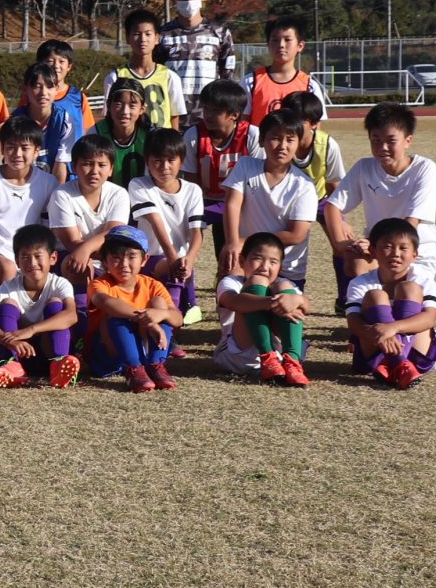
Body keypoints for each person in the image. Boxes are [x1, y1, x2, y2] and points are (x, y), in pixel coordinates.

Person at [321, 102, 436, 283]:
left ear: (408, 140)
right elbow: (332, 206)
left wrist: (375, 243)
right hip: (379, 250)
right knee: (355, 263)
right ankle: (363, 298)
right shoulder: (364, 167)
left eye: (391, 141)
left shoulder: (424, 168)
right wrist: (341, 244)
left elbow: (411, 224)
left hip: (414, 252)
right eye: (376, 140)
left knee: (407, 293)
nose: (383, 147)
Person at [0, 115, 60, 307]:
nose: (17, 153)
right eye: (11, 147)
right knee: (6, 268)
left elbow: (49, 227)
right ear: (2, 148)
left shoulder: (49, 183)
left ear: (37, 151)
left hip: (29, 252)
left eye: (24, 148)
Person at [222, 110, 318, 288]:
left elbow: (296, 235)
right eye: (275, 138)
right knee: (230, 267)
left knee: (280, 296)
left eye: (290, 139)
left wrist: (247, 243)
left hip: (287, 268)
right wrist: (233, 242)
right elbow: (232, 203)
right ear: (261, 140)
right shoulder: (245, 165)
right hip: (250, 260)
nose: (282, 146)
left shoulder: (304, 185)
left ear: (298, 143)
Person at [343, 218, 436, 389]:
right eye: (387, 247)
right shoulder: (360, 283)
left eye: (403, 248)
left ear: (415, 254)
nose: (395, 253)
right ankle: (400, 364)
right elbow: (353, 322)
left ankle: (397, 363)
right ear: (372, 251)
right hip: (375, 356)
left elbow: (431, 317)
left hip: (416, 356)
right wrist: (377, 332)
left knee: (409, 288)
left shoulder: (423, 279)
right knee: (375, 295)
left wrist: (393, 328)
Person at [0, 224, 81, 389]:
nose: (32, 263)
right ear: (17, 261)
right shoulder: (8, 287)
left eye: (38, 256)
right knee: (7, 304)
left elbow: (71, 315)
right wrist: (12, 342)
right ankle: (11, 365)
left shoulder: (60, 284)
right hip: (20, 353)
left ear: (53, 258)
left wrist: (31, 330)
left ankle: (59, 363)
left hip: (49, 352)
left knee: (56, 304)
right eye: (25, 257)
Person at [86, 225, 181, 393]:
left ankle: (155, 365)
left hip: (144, 348)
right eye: (116, 258)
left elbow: (178, 319)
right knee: (115, 314)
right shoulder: (99, 284)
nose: (124, 264)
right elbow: (104, 302)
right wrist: (150, 322)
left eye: (131, 257)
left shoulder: (152, 285)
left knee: (159, 304)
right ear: (104, 261)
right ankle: (134, 368)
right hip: (108, 354)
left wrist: (160, 314)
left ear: (144, 260)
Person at [48, 133, 133, 317]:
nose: (94, 171)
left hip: (106, 255)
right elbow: (72, 243)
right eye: (87, 164)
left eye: (102, 165)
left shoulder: (119, 194)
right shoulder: (61, 195)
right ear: (74, 167)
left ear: (111, 169)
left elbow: (113, 234)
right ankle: (82, 313)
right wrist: (87, 251)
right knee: (80, 263)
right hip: (69, 256)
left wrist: (87, 248)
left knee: (128, 260)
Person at [213, 232, 310, 386]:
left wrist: (297, 300)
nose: (264, 267)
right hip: (239, 355)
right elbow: (233, 301)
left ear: (280, 266)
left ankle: (292, 362)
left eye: (273, 262)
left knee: (285, 288)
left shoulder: (283, 285)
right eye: (258, 259)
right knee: (257, 282)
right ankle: (267, 356)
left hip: (280, 356)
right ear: (242, 260)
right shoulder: (231, 282)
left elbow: (307, 305)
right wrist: (273, 303)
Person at [131, 128, 206, 321]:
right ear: (147, 161)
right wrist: (173, 257)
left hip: (180, 261)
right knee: (173, 269)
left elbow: (196, 231)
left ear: (181, 160)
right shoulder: (138, 185)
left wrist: (190, 258)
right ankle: (177, 314)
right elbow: (156, 222)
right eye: (157, 161)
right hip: (150, 258)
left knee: (179, 269)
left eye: (171, 160)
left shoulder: (193, 190)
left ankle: (181, 309)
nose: (164, 167)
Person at [185, 77, 260, 264]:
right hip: (204, 200)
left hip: (240, 201)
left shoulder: (251, 135)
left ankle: (229, 270)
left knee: (230, 252)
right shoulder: (194, 135)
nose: (208, 115)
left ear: (234, 115)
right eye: (206, 109)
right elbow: (190, 181)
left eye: (216, 111)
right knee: (182, 228)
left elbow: (257, 179)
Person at [160, 0, 237, 109]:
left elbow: (227, 77)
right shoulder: (162, 35)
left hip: (209, 115)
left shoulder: (220, 33)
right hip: (172, 113)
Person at [105, 9, 187, 132]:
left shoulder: (169, 77)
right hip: (130, 143)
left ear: (157, 38)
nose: (143, 39)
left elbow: (174, 117)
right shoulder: (115, 77)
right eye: (137, 34)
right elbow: (110, 116)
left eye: (148, 34)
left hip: (160, 142)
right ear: (127, 38)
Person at [243, 16, 326, 122]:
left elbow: (314, 126)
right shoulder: (251, 82)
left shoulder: (310, 86)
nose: (281, 45)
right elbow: (243, 124)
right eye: (275, 40)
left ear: (300, 46)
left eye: (287, 40)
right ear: (268, 44)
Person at [13, 62, 75, 183]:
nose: (43, 93)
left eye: (49, 86)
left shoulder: (65, 120)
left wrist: (54, 193)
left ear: (57, 89)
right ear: (25, 89)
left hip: (53, 184)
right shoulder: (15, 120)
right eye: (37, 86)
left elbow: (60, 166)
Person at [94, 78, 152, 188]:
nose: (125, 111)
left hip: (143, 195)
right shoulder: (96, 133)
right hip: (106, 196)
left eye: (132, 105)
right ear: (108, 105)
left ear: (142, 109)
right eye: (118, 104)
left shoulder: (150, 136)